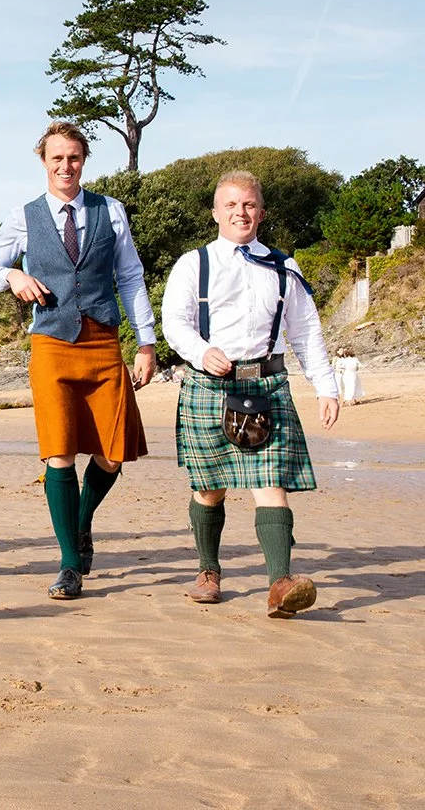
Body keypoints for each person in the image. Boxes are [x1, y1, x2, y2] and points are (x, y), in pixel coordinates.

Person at [0, 120, 156, 600]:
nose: (65, 166)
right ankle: (70, 564)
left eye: (73, 157)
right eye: (57, 158)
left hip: (102, 340)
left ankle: (80, 521)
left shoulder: (110, 211)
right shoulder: (23, 216)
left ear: (83, 160)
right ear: (44, 161)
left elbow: (131, 277)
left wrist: (146, 343)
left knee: (112, 453)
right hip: (51, 343)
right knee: (59, 451)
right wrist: (13, 277)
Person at [161, 170, 339, 618]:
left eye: (249, 205)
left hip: (267, 385)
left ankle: (281, 583)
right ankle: (208, 571)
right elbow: (174, 322)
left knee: (270, 483)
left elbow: (305, 331)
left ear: (261, 212)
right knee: (209, 488)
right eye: (231, 205)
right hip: (210, 385)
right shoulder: (193, 264)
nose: (240, 212)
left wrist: (326, 385)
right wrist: (202, 352)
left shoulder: (284, 267)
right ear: (216, 212)